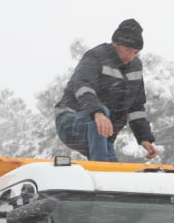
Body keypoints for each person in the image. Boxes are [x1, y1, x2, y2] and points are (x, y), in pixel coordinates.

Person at [54, 19, 158, 162]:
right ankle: (100, 166)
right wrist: (97, 112)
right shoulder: (96, 56)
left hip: (102, 130)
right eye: (128, 50)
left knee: (112, 170)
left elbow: (136, 107)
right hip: (71, 121)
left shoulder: (135, 67)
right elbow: (82, 85)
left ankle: (104, 178)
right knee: (102, 114)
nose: (131, 56)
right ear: (116, 43)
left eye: (136, 52)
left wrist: (144, 137)